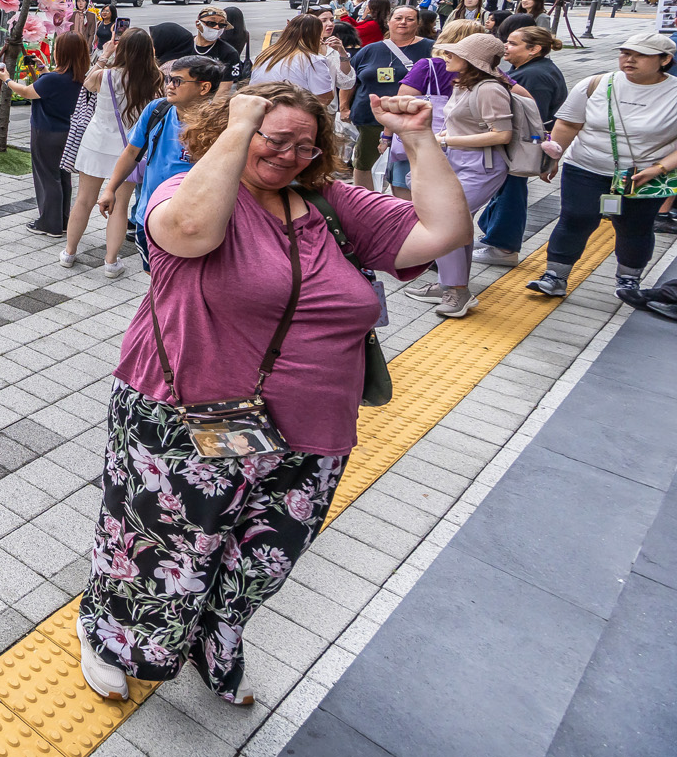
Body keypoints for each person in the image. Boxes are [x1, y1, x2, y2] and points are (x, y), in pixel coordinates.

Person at [76, 82, 470, 706]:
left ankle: (211, 644)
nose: (289, 156)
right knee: (163, 549)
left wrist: (419, 137)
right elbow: (187, 233)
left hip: (312, 429)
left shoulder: (332, 205)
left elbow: (442, 231)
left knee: (256, 562)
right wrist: (239, 126)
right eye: (274, 138)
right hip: (188, 417)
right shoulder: (190, 192)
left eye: (306, 147)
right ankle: (111, 637)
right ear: (232, 131)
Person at [526, 33, 677, 302]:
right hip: (586, 166)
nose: (630, 59)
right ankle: (554, 276)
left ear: (665, 60)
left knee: (635, 226)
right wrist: (553, 158)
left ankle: (628, 280)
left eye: (641, 54)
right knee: (576, 217)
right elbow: (569, 124)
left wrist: (659, 169)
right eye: (625, 52)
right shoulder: (595, 83)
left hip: (643, 176)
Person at [393, 27, 517, 317]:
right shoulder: (465, 84)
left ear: (473, 60)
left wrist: (446, 139)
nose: (447, 56)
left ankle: (457, 291)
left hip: (482, 167)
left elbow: (502, 135)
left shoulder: (489, 88)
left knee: (443, 222)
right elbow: (462, 123)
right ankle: (449, 285)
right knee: (455, 223)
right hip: (458, 161)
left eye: (456, 53)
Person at [98, 55, 227, 268]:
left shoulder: (218, 124)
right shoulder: (157, 110)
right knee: (154, 277)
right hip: (148, 215)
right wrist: (110, 189)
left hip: (191, 222)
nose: (169, 86)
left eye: (178, 81)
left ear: (204, 88)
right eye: (168, 79)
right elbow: (131, 153)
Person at [66, 28, 162, 278]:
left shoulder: (105, 75)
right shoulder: (156, 78)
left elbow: (86, 83)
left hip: (96, 144)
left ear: (122, 48)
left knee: (84, 201)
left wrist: (104, 55)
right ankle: (110, 263)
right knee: (119, 207)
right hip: (128, 150)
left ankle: (69, 252)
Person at [474, 26, 568, 264]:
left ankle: (503, 246)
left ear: (534, 49)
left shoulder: (533, 76)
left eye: (514, 43)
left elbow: (532, 120)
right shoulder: (534, 70)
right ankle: (494, 237)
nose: (506, 46)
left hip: (522, 146)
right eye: (507, 41)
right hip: (524, 144)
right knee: (506, 190)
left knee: (511, 192)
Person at [0, 31, 90, 237]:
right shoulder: (81, 77)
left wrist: (6, 79)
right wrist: (45, 70)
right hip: (68, 134)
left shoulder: (52, 79)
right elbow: (54, 87)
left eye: (57, 48)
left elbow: (25, 92)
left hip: (46, 133)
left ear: (62, 53)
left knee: (47, 178)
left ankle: (49, 224)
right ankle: (63, 221)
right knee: (62, 177)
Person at [346, 4, 434, 188]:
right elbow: (349, 80)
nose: (403, 22)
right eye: (398, 18)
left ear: (417, 24)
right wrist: (344, 107)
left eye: (410, 19)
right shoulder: (370, 50)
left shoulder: (431, 49)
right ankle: (365, 203)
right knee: (365, 164)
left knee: (406, 168)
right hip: (371, 119)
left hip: (411, 119)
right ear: (388, 22)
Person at [247, 14, 337, 107]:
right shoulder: (313, 60)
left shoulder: (265, 55)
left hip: (261, 110)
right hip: (291, 114)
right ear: (316, 35)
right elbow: (325, 98)